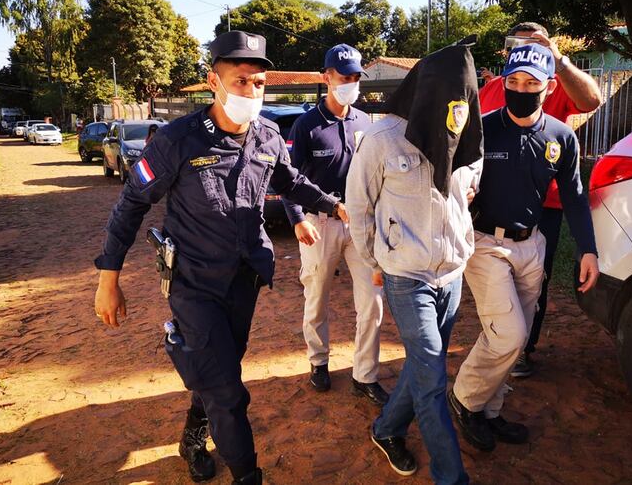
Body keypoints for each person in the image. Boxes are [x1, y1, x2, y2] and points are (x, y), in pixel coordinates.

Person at [93, 30, 348, 485]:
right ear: (214, 81)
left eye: (259, 82)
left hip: (243, 279)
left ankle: (193, 434)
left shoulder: (269, 135)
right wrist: (108, 278)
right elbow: (132, 202)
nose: (251, 91)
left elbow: (290, 181)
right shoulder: (178, 140)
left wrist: (332, 203)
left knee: (220, 371)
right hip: (193, 284)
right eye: (240, 81)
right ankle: (248, 475)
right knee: (229, 392)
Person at [448, 43, 599, 453]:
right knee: (509, 335)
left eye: (530, 83)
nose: (520, 89)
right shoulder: (483, 128)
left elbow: (574, 195)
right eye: (512, 81)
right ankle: (465, 400)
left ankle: (490, 411)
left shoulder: (562, 136)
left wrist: (588, 249)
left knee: (518, 335)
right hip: (485, 245)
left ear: (548, 87)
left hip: (532, 244)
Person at [346, 37, 483, 484]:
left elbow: (467, 194)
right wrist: (376, 260)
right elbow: (359, 207)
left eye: (464, 99)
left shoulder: (466, 137)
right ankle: (451, 476)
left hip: (452, 274)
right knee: (431, 381)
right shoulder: (382, 139)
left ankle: (386, 429)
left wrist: (461, 244)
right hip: (406, 277)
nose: (455, 109)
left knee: (424, 364)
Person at [479, 22, 602, 377]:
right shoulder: (493, 91)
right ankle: (503, 345)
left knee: (535, 282)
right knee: (497, 287)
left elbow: (590, 100)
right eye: (518, 44)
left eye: (535, 44)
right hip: (491, 214)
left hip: (543, 207)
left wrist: (558, 60)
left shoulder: (553, 85)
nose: (523, 89)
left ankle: (520, 348)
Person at [282, 44, 387, 404]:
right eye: (345, 77)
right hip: (319, 224)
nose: (351, 84)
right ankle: (318, 361)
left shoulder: (364, 121)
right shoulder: (307, 125)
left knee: (372, 300)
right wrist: (297, 220)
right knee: (317, 297)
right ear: (326, 77)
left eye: (356, 77)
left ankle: (365, 374)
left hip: (360, 224)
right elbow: (289, 178)